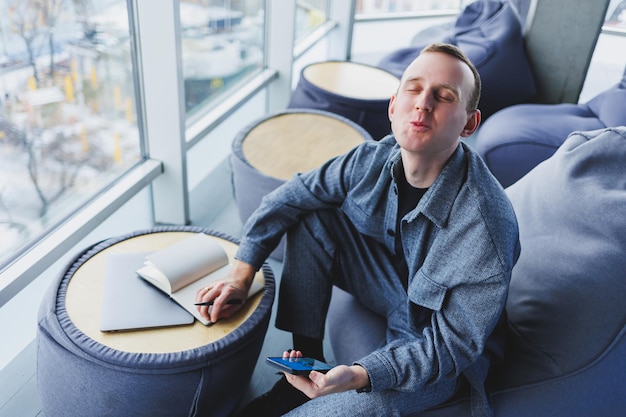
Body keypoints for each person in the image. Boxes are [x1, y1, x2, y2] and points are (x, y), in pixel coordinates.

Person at [196, 43, 520, 417]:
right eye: (413, 89)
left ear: (468, 124)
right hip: (390, 286)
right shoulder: (370, 159)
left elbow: (450, 348)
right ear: (393, 106)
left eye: (444, 96)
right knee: (313, 216)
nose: (423, 104)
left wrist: (360, 375)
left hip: (440, 348)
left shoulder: (486, 226)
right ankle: (308, 362)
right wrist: (241, 272)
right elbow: (293, 195)